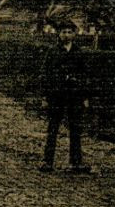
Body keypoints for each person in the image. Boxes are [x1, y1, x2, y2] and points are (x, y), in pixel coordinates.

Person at [39, 19, 92, 174]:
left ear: (74, 34)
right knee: (53, 128)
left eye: (70, 32)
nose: (67, 35)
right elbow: (45, 75)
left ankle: (76, 162)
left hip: (74, 96)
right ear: (59, 34)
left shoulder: (79, 53)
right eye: (64, 32)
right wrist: (44, 96)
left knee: (75, 129)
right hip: (56, 96)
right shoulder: (53, 52)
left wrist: (85, 97)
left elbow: (85, 76)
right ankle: (47, 161)